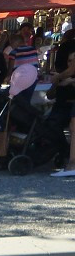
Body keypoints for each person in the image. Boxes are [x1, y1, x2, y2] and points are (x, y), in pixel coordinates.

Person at [50, 27, 75, 174]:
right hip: (66, 99)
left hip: (67, 100)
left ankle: (72, 163)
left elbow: (70, 70)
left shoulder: (67, 47)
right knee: (72, 127)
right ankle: (70, 161)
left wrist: (60, 78)